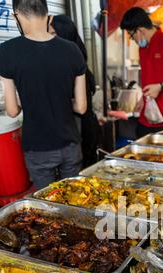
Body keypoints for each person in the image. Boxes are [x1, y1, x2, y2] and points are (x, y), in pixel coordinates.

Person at [0, 0, 87, 190]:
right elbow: (81, 107)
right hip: (70, 144)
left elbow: (12, 111)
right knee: (76, 199)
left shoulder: (5, 52)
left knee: (46, 208)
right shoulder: (73, 50)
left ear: (16, 16)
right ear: (49, 16)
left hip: (38, 147)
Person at [120, 7, 163, 138]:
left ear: (140, 30)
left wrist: (160, 87)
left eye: (131, 34)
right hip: (147, 115)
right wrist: (142, 99)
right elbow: (150, 77)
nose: (132, 39)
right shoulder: (143, 48)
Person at [49, 15, 101, 169]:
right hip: (79, 131)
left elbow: (79, 106)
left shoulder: (72, 65)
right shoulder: (75, 60)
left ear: (64, 35)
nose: (48, 39)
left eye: (52, 34)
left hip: (81, 133)